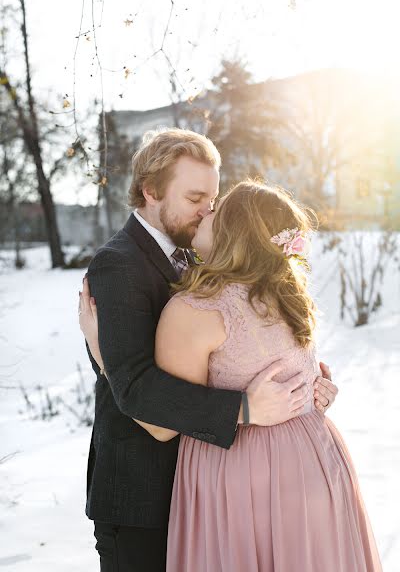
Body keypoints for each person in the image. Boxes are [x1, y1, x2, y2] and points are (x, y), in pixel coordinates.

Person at [79, 129, 338, 571]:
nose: (209, 210)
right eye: (196, 196)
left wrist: (308, 380)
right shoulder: (120, 263)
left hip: (208, 486)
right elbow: (137, 388)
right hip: (144, 491)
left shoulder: (197, 251)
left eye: (213, 198)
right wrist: (243, 408)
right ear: (151, 191)